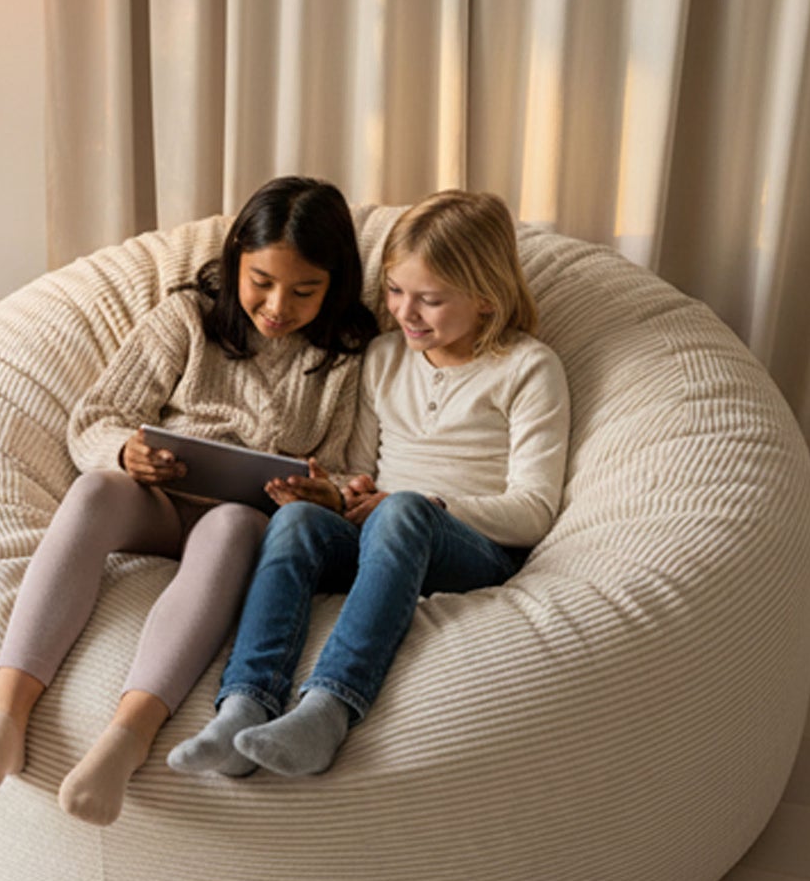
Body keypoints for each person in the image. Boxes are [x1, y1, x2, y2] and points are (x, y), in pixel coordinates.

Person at [0, 176, 376, 824]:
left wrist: (321, 494)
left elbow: (353, 469)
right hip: (161, 498)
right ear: (235, 263)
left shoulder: (347, 356)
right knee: (93, 492)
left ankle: (126, 740)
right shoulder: (186, 318)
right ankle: (3, 715)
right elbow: (96, 416)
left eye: (303, 290)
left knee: (230, 528)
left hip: (246, 519)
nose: (277, 305)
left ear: (334, 285)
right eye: (261, 281)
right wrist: (125, 453)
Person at [169, 189, 570, 779]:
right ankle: (244, 704)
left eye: (430, 300)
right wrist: (334, 495)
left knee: (403, 510)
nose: (406, 313)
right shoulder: (383, 356)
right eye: (395, 292)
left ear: (487, 299)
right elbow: (359, 471)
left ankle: (329, 708)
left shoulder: (528, 369)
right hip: (379, 530)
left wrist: (423, 506)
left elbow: (534, 510)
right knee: (298, 520)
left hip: (469, 548)